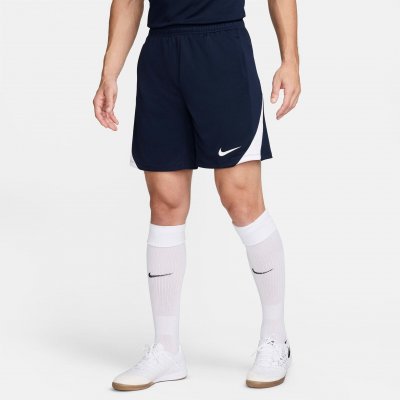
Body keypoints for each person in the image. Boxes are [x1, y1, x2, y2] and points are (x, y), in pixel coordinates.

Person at [93, 0, 300, 391]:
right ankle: (167, 348)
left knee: (241, 199)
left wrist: (290, 60)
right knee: (165, 202)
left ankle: (276, 338)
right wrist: (110, 72)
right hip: (161, 55)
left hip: (221, 49)